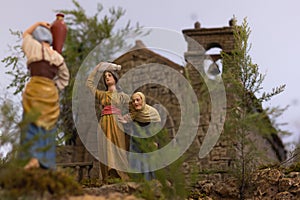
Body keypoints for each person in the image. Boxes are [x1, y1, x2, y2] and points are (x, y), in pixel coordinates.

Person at [21, 22, 69, 170]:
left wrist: (38, 24)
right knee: (48, 125)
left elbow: (25, 34)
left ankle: (32, 157)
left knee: (31, 122)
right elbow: (65, 77)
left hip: (35, 88)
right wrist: (54, 88)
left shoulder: (33, 48)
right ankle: (45, 161)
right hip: (50, 93)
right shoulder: (57, 57)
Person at [86, 62, 130, 182]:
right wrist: (97, 67)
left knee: (118, 148)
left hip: (117, 123)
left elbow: (136, 107)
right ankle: (107, 177)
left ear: (115, 77)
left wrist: (127, 118)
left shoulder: (122, 96)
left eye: (109, 75)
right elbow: (89, 83)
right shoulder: (102, 95)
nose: (107, 78)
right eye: (105, 77)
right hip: (104, 123)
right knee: (105, 148)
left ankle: (120, 174)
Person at [120, 92, 161, 181]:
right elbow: (127, 127)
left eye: (138, 100)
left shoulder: (152, 112)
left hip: (149, 141)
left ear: (143, 100)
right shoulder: (133, 114)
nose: (135, 103)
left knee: (148, 165)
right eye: (133, 101)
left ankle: (150, 185)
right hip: (135, 142)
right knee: (136, 164)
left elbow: (156, 129)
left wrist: (154, 141)